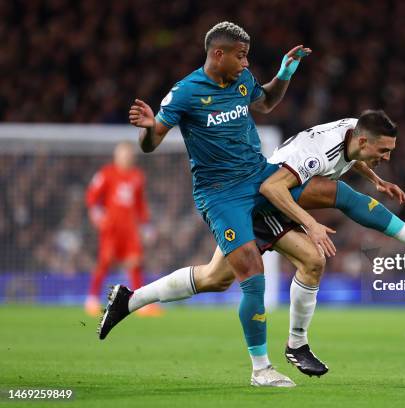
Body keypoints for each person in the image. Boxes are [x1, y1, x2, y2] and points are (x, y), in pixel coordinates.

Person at [99, 110, 405, 377]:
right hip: (263, 200)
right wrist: (311, 222)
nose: (387, 157)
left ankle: (129, 300)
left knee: (215, 278)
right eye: (384, 151)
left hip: (274, 200)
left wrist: (376, 178)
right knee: (335, 204)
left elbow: (352, 157)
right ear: (364, 140)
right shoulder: (315, 154)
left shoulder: (353, 129)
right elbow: (273, 187)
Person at [121, 21, 318, 387]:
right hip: (220, 194)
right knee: (251, 275)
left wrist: (285, 73)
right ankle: (262, 370)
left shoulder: (242, 81)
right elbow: (150, 145)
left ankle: (130, 300)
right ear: (218, 54)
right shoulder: (185, 93)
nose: (245, 63)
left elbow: (268, 102)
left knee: (322, 204)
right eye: (241, 56)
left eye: (247, 56)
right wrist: (149, 128)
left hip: (259, 179)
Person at [84, 142, 160, 317]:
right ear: (116, 156)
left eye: (129, 154)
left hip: (130, 229)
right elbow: (92, 195)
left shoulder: (137, 176)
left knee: (135, 263)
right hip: (111, 228)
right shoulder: (106, 173)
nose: (126, 157)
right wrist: (96, 214)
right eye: (123, 154)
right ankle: (92, 299)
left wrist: (146, 225)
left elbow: (140, 204)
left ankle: (141, 303)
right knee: (105, 262)